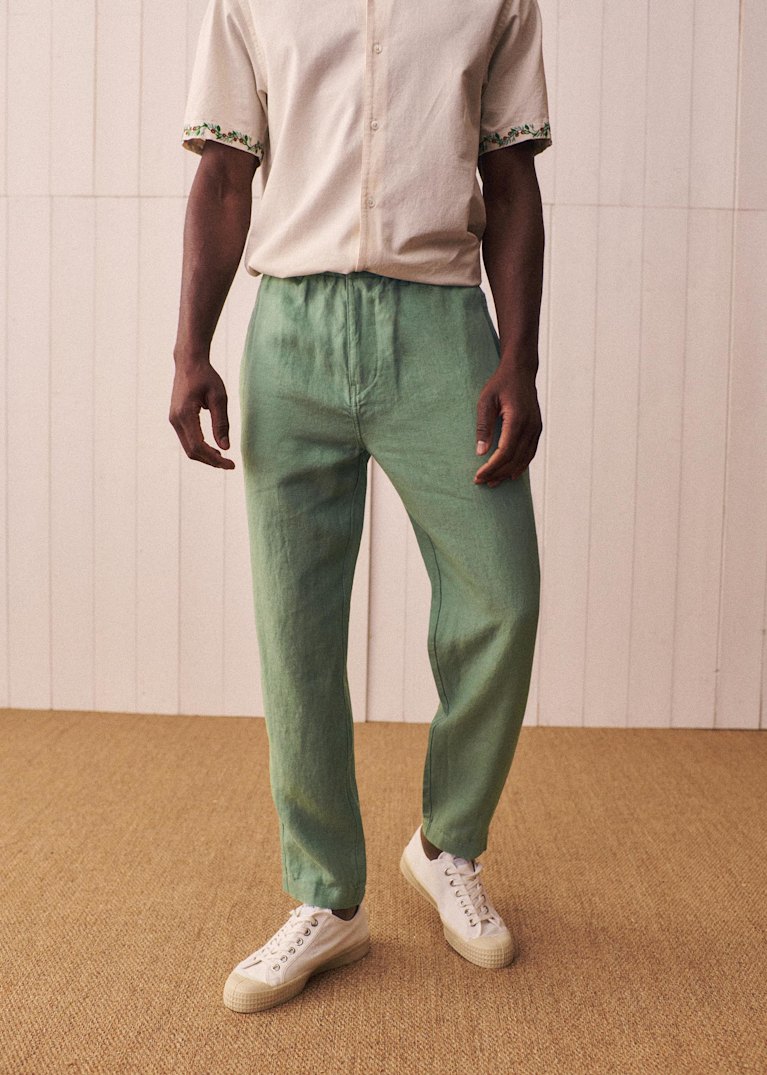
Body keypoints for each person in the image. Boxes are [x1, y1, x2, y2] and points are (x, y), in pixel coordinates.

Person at [170, 0, 552, 1014]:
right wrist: (189, 349)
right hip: (289, 331)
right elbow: (223, 173)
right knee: (294, 625)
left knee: (502, 596)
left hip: (442, 329)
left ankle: (446, 843)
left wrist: (518, 358)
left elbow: (512, 176)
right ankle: (325, 895)